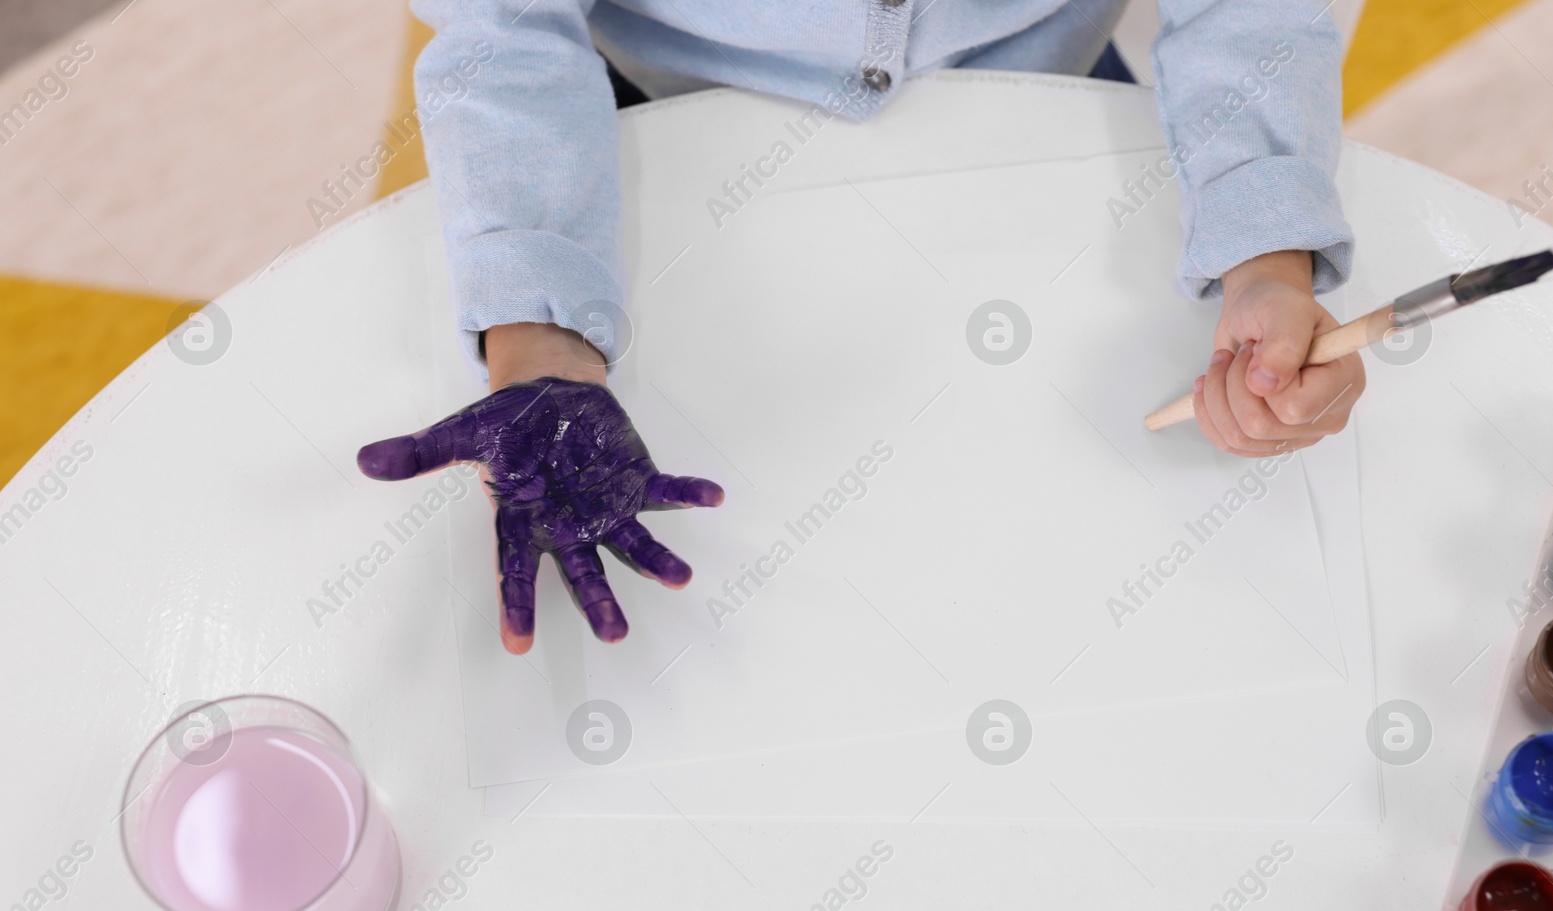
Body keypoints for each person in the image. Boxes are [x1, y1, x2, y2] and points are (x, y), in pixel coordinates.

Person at [358, 0, 1363, 651]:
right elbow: (502, 30)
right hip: (674, 120)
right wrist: (539, 340)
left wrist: (1264, 255)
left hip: (1035, 109)